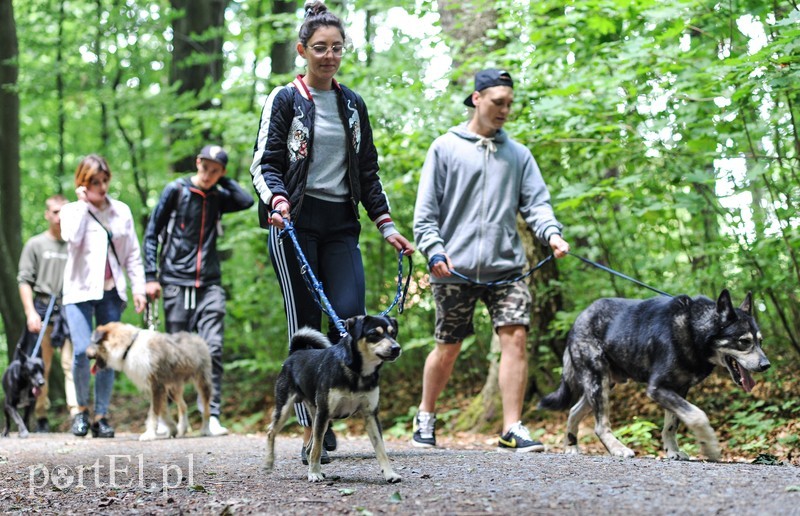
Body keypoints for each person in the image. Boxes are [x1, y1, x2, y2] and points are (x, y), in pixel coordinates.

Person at [249, 1, 414, 464]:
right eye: (319, 48)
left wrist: (386, 225)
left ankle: (344, 404)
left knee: (348, 319)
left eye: (336, 48)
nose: (328, 56)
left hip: (341, 223)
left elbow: (367, 171)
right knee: (305, 329)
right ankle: (311, 432)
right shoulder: (284, 99)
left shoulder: (352, 104)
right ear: (303, 50)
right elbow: (264, 163)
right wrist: (277, 201)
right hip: (294, 225)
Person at [412, 68, 571, 453]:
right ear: (477, 98)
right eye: (498, 102)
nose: (504, 110)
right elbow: (425, 214)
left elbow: (537, 204)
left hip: (506, 268)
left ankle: (512, 427)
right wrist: (434, 250)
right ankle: (426, 417)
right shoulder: (446, 148)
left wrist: (552, 234)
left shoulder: (518, 155)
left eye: (509, 104)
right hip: (453, 267)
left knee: (515, 336)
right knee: (448, 346)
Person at [143, 144, 254, 436]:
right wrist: (150, 276)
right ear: (196, 163)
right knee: (172, 354)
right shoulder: (176, 190)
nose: (207, 174)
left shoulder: (219, 195)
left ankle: (211, 416)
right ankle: (170, 418)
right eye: (204, 167)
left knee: (213, 348)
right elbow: (152, 231)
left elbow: (246, 201)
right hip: (175, 280)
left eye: (214, 170)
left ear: (222, 172)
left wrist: (223, 180)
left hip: (209, 282)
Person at [61, 154, 147, 438]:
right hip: (78, 292)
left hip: (111, 292)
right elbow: (71, 238)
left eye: (103, 180)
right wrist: (84, 205)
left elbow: (132, 254)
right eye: (94, 182)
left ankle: (102, 416)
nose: (101, 186)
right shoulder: (72, 211)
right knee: (83, 351)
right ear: (83, 184)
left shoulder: (120, 211)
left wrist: (139, 288)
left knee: (107, 356)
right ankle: (81, 412)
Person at [17, 194, 79, 432]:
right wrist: (30, 312)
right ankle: (41, 415)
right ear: (47, 214)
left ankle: (76, 414)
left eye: (63, 212)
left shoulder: (75, 243)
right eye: (55, 212)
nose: (59, 217)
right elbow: (24, 280)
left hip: (69, 308)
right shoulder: (36, 244)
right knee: (41, 366)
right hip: (42, 307)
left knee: (71, 363)